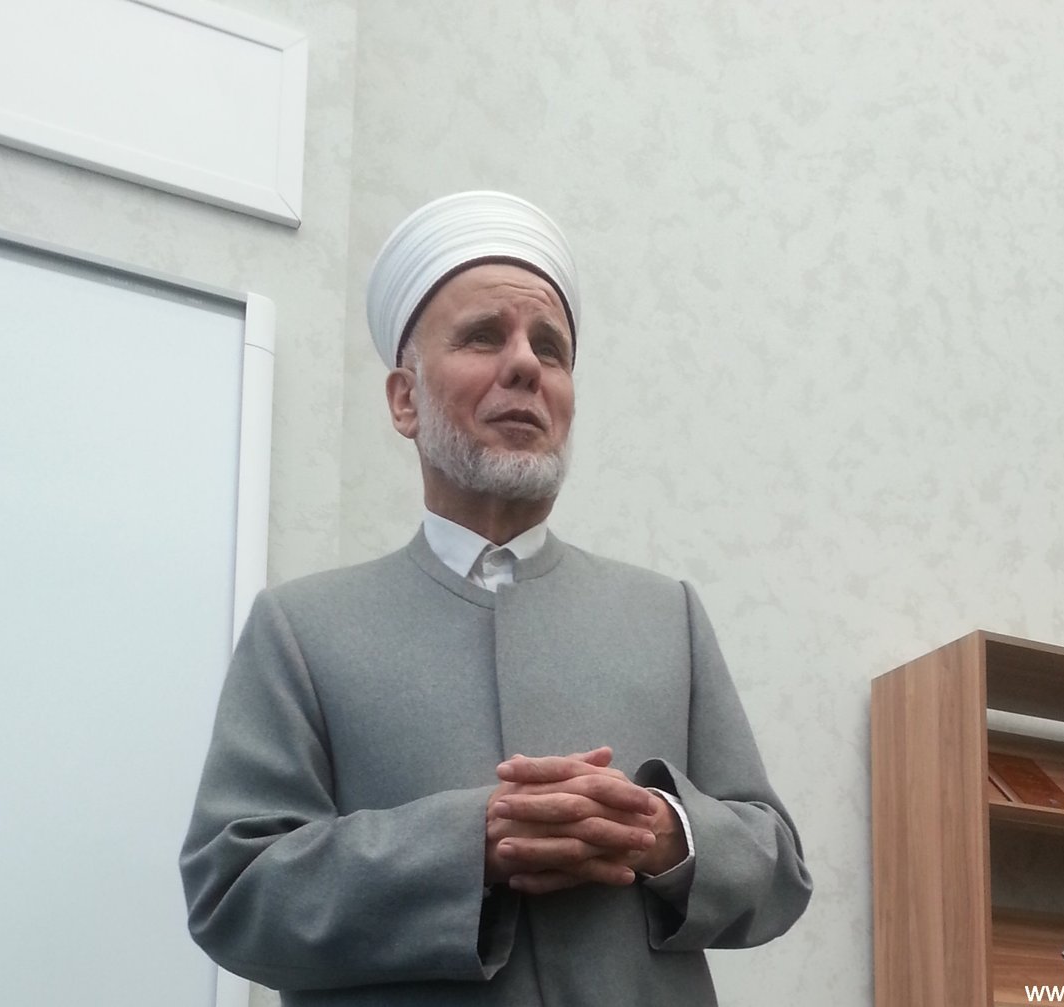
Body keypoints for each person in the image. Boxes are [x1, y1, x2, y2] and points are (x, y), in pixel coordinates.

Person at [180, 191, 811, 1006]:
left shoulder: (669, 616)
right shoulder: (301, 630)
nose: (526, 366)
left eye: (550, 348)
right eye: (484, 336)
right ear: (404, 398)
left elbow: (779, 871)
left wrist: (662, 832)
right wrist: (469, 843)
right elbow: (233, 890)